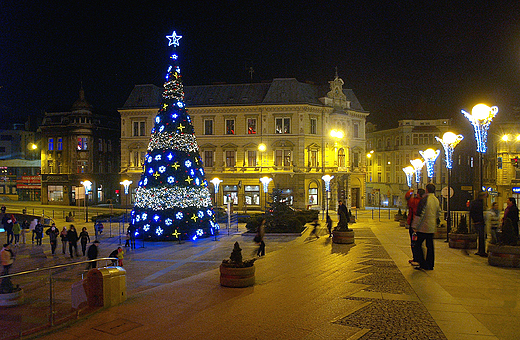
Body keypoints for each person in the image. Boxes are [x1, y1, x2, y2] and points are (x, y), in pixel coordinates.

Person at [411, 183, 440, 270]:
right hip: (432, 227)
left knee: (417, 245)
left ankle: (422, 263)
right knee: (430, 246)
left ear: (427, 190)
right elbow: (438, 213)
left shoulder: (425, 200)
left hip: (423, 227)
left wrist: (415, 225)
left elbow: (420, 213)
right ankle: (430, 264)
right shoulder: (436, 200)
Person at [406, 188, 425, 266]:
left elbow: (407, 197)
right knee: (419, 243)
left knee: (414, 242)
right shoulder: (424, 201)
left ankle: (416, 259)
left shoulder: (414, 201)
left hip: (413, 224)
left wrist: (410, 190)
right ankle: (419, 259)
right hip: (422, 225)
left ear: (417, 194)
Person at [470, 192, 488, 257]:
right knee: (482, 237)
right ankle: (481, 251)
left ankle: (480, 250)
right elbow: (478, 213)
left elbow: (471, 211)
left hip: (477, 221)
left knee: (480, 237)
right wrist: (478, 220)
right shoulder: (479, 203)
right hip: (479, 221)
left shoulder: (474, 202)